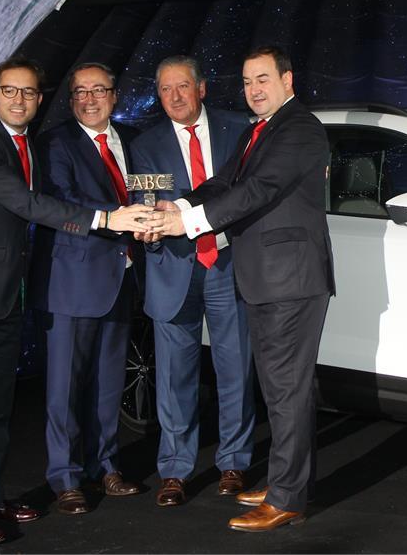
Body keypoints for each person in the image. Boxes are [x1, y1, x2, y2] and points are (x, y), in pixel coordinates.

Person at [0, 58, 150, 546]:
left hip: (8, 293)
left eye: (29, 93)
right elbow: (28, 204)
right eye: (10, 92)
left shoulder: (24, 143)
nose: (19, 101)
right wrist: (105, 220)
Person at [145, 45, 334, 533]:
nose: (254, 90)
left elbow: (258, 191)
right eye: (248, 81)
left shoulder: (299, 129)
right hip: (268, 279)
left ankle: (288, 498)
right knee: (280, 390)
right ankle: (284, 483)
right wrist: (178, 208)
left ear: (288, 81)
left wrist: (189, 222)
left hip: (290, 279)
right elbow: (221, 182)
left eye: (263, 80)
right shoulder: (259, 131)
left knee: (287, 391)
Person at [128, 56, 256, 507]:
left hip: (227, 264)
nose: (174, 97)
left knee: (235, 369)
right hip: (173, 268)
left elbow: (248, 193)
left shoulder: (238, 128)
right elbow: (143, 199)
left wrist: (184, 209)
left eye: (182, 86)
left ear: (201, 88)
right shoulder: (144, 145)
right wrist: (144, 223)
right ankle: (175, 470)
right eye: (165, 89)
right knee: (174, 376)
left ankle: (235, 461)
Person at [29, 63, 142, 515]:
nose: (90, 98)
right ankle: (65, 476)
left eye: (99, 90)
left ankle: (105, 465)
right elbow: (61, 203)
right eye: (80, 92)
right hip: (71, 282)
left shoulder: (131, 141)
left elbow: (146, 198)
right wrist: (119, 216)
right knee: (65, 387)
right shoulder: (56, 143)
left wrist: (152, 221)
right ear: (70, 99)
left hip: (121, 277)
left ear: (115, 96)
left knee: (108, 383)